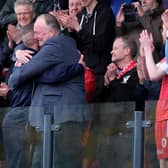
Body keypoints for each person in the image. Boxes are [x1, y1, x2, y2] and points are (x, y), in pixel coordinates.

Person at [8, 14, 90, 167]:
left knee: (61, 163)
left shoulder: (55, 45)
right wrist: (17, 54)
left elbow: (18, 77)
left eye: (39, 32)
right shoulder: (62, 45)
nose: (35, 36)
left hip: (62, 118)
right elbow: (51, 75)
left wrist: (21, 72)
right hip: (53, 119)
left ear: (52, 33)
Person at [61, 0, 116, 102]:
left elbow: (100, 45)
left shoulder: (105, 13)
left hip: (101, 73)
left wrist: (78, 28)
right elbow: (78, 46)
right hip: (85, 71)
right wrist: (71, 30)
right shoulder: (81, 15)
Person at [138, 9, 168, 168]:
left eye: (162, 29)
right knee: (163, 161)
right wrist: (144, 54)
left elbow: (155, 73)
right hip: (163, 114)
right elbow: (149, 75)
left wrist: (149, 51)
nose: (162, 33)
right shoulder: (165, 58)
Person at [104, 36, 138, 102]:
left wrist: (113, 80)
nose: (111, 52)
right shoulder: (113, 72)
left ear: (127, 51)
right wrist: (107, 83)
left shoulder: (137, 71)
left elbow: (124, 99)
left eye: (115, 48)